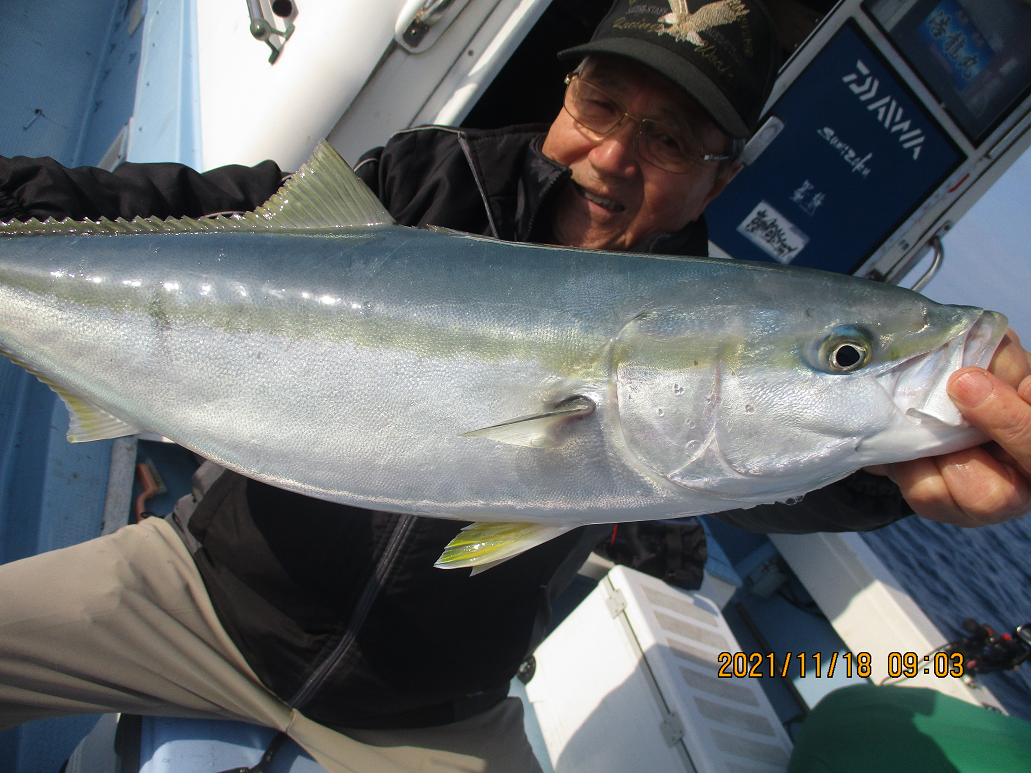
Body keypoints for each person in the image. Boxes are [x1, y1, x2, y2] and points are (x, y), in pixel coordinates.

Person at [0, 1, 1030, 771]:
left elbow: (779, 467)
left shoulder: (713, 323)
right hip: (197, 598)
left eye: (670, 139)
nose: (612, 156)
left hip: (429, 715)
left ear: (722, 174)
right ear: (563, 96)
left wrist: (908, 468)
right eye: (599, 105)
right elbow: (186, 211)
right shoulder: (417, 182)